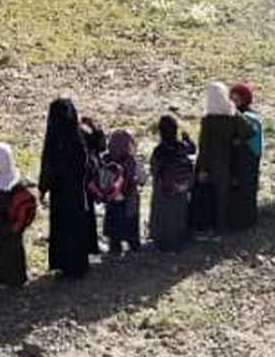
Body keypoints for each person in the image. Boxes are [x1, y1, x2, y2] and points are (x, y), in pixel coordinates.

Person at [38, 97, 94, 278]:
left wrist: (43, 188)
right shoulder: (78, 136)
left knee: (62, 229)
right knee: (77, 227)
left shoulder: (54, 140)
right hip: (77, 192)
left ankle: (65, 266)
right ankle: (80, 265)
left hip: (60, 193)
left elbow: (47, 165)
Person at [0, 142, 37, 287]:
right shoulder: (6, 177)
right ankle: (7, 278)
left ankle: (8, 279)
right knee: (4, 249)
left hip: (8, 224)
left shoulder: (10, 184)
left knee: (7, 250)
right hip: (7, 224)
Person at [192, 82, 239, 237]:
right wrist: (236, 142)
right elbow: (248, 132)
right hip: (226, 160)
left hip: (209, 163)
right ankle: (222, 225)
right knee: (222, 195)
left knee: (207, 195)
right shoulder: (231, 117)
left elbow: (204, 147)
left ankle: (206, 226)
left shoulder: (208, 120)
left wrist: (202, 168)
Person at [92, 130, 144, 255]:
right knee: (131, 222)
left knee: (114, 223)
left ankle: (115, 246)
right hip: (129, 198)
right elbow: (141, 178)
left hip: (111, 197)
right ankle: (134, 245)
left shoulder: (106, 159)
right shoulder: (131, 161)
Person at [148, 115, 195, 252]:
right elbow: (193, 149)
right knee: (179, 214)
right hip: (181, 188)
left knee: (163, 215)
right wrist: (187, 138)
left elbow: (154, 170)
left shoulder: (159, 150)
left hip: (164, 190)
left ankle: (162, 242)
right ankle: (179, 240)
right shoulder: (182, 146)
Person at [226, 83, 261, 231]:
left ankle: (246, 220)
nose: (234, 103)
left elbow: (251, 137)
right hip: (238, 158)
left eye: (237, 99)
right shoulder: (233, 115)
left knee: (246, 188)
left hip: (247, 157)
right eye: (232, 99)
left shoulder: (249, 117)